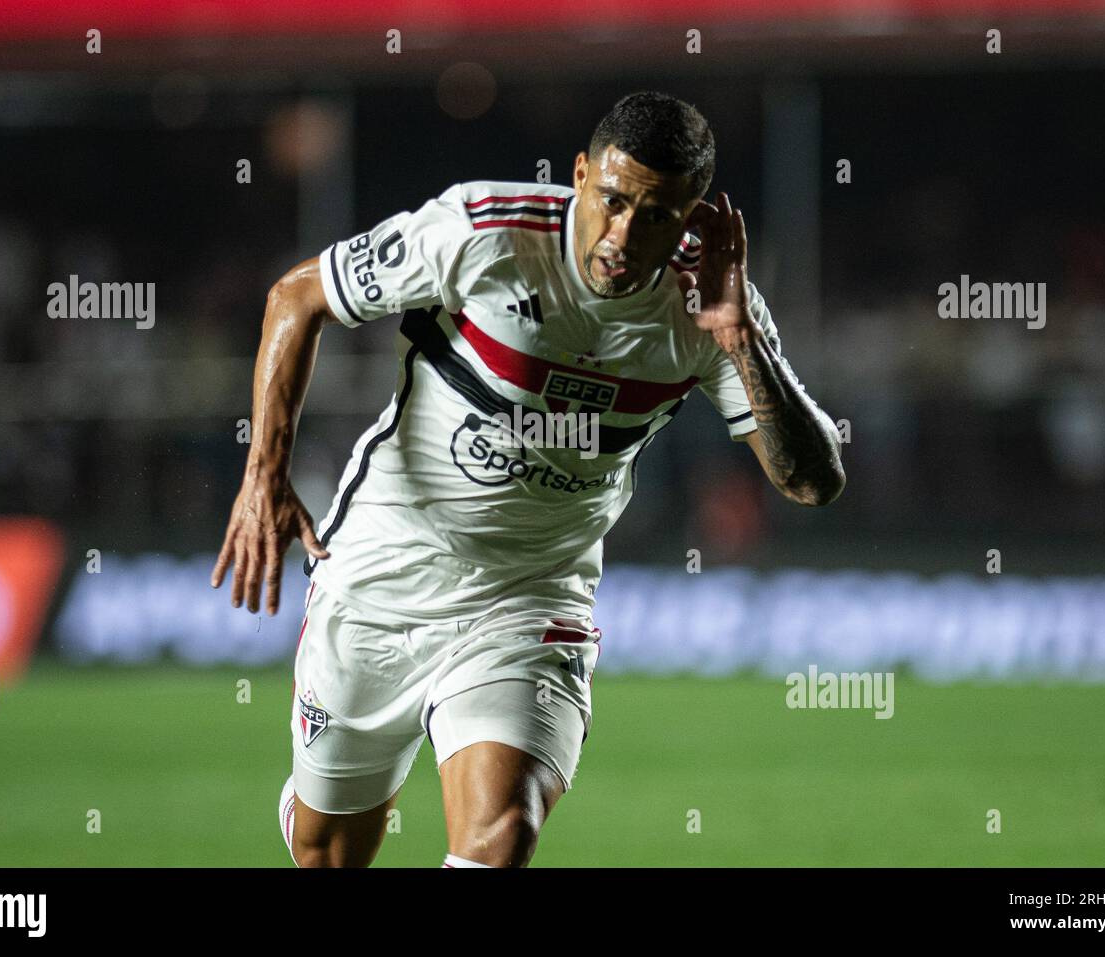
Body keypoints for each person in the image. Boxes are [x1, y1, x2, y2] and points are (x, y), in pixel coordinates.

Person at [210, 90, 845, 868]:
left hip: (532, 594)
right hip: (385, 572)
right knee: (328, 853)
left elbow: (813, 483)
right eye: (612, 201)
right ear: (580, 174)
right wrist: (262, 477)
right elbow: (297, 296)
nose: (624, 235)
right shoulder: (483, 233)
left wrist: (743, 342)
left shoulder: (706, 304)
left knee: (500, 833)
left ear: (692, 217)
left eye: (657, 217)